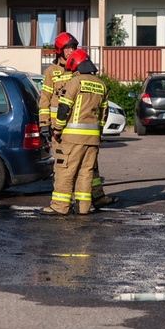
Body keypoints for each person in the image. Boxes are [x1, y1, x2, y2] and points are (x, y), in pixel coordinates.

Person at [40, 32, 117, 207]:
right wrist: (45, 124)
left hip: (75, 128)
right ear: (59, 50)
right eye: (67, 48)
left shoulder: (79, 70)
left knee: (90, 166)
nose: (71, 51)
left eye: (73, 47)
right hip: (59, 128)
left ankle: (96, 197)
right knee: (64, 167)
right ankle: (64, 203)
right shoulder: (51, 72)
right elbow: (44, 100)